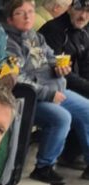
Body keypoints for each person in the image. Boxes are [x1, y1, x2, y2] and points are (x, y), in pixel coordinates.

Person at [3, 0, 89, 184]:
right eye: (20, 13)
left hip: (55, 90)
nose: (27, 17)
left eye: (30, 12)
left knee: (87, 109)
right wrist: (49, 94)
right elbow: (18, 80)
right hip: (31, 97)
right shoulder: (9, 43)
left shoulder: (35, 36)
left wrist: (58, 67)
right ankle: (43, 167)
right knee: (61, 118)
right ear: (10, 19)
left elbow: (51, 57)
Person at [39, 0, 89, 170]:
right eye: (79, 10)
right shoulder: (55, 30)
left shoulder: (83, 32)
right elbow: (60, 72)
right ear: (69, 9)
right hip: (49, 87)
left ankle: (75, 155)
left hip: (66, 85)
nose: (83, 16)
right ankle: (68, 155)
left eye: (88, 12)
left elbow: (85, 67)